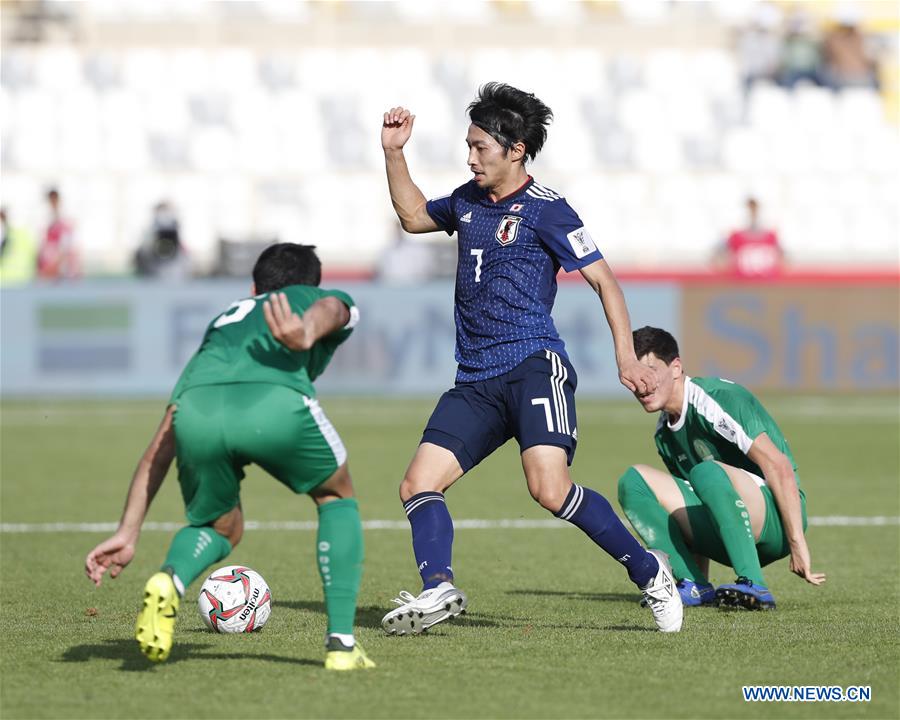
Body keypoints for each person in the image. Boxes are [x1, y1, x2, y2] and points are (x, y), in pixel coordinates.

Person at [378, 83, 683, 635]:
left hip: (532, 365)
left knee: (548, 488)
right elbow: (414, 216)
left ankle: (651, 573)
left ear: (515, 148)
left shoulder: (550, 211)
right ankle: (437, 588)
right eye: (467, 147)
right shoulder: (468, 200)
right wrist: (395, 153)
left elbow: (605, 282)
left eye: (480, 148)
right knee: (416, 484)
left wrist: (624, 358)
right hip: (474, 379)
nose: (470, 158)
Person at [84, 243, 375, 671]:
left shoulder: (224, 319)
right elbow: (335, 307)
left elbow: (161, 441)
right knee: (336, 496)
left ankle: (171, 578)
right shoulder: (310, 298)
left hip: (199, 412)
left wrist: (128, 531)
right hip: (274, 405)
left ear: (254, 286)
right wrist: (308, 330)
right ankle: (342, 645)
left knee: (221, 525)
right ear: (310, 283)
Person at [617, 326, 826, 610]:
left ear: (676, 368)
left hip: (777, 518)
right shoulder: (663, 434)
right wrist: (700, 577)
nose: (641, 383)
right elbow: (692, 501)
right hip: (726, 530)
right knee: (634, 481)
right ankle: (692, 584)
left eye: (651, 370)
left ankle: (754, 584)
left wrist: (797, 543)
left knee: (705, 471)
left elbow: (779, 466)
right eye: (635, 375)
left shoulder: (718, 398)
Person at [715, 197, 784, 278]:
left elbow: (781, 253)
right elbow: (721, 251)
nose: (752, 211)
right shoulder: (736, 231)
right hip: (740, 278)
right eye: (750, 208)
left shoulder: (769, 231)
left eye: (754, 208)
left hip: (765, 278)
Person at [134, 201, 191, 280]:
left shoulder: (182, 250)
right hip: (152, 277)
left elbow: (186, 264)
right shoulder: (145, 244)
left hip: (175, 277)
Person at [37, 188, 79, 280]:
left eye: (54, 200)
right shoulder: (46, 219)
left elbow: (68, 244)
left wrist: (60, 262)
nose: (52, 203)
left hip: (62, 267)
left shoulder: (66, 219)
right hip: (49, 265)